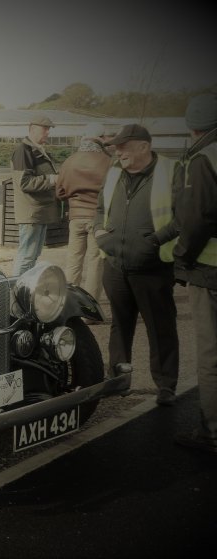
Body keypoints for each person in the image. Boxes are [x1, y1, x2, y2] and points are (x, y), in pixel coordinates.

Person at [93, 123, 179, 406]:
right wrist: (99, 233)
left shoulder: (171, 171)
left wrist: (154, 241)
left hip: (153, 266)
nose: (118, 152)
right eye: (116, 147)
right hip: (115, 264)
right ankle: (118, 380)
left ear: (144, 146)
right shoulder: (114, 172)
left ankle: (166, 386)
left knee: (160, 327)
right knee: (119, 325)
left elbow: (183, 216)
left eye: (124, 147)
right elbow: (100, 209)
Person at [172, 93, 217, 454]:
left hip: (210, 270)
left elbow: (197, 217)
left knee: (210, 356)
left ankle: (211, 432)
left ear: (192, 127)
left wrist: (181, 258)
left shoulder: (204, 158)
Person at [55, 123, 111, 309]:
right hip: (98, 218)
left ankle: (69, 303)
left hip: (76, 217)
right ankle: (90, 308)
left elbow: (60, 192)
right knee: (95, 263)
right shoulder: (107, 161)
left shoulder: (70, 161)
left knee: (73, 260)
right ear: (101, 139)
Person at [11, 115, 61, 276]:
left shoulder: (37, 150)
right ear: (32, 129)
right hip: (31, 213)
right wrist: (52, 179)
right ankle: (16, 287)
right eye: (44, 129)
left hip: (39, 212)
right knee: (26, 256)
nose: (47, 132)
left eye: (49, 129)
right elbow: (24, 182)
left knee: (32, 256)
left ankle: (25, 286)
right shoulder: (23, 151)